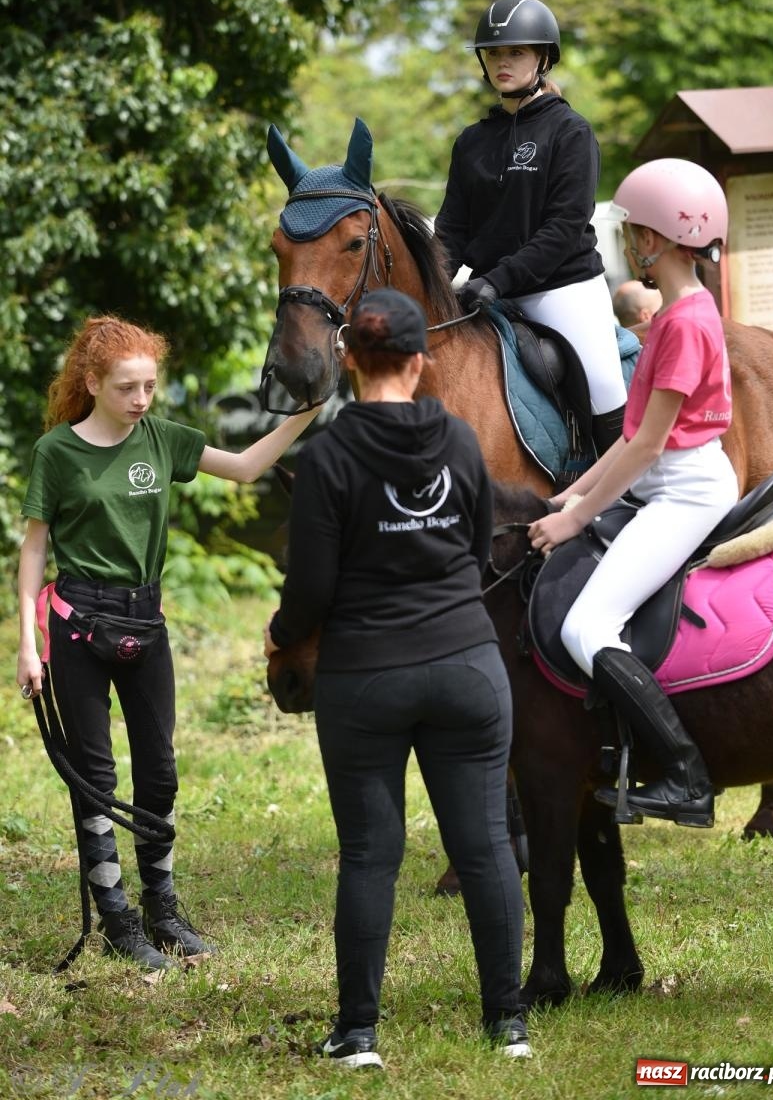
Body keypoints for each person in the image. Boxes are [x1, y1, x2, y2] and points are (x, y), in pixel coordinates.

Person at [263, 287, 530, 1068]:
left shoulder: (327, 457)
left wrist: (279, 635)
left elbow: (309, 587)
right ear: (418, 362)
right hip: (467, 671)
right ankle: (506, 1025)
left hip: (366, 679)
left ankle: (358, 1035)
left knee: (370, 856)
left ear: (346, 359)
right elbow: (481, 551)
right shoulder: (457, 440)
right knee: (482, 846)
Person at [16, 315, 320, 970]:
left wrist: (306, 414)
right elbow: (34, 547)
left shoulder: (161, 438)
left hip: (145, 622)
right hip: (77, 625)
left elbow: (241, 467)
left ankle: (163, 909)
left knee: (160, 772)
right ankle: (115, 920)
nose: (141, 400)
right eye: (128, 387)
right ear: (92, 382)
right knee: (95, 779)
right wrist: (26, 642)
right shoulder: (58, 453)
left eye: (150, 386)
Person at [528, 159, 739, 829]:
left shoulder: (681, 323)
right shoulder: (685, 310)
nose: (627, 243)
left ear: (659, 238)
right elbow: (627, 440)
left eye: (634, 231)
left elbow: (649, 445)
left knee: (584, 626)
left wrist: (575, 521)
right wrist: (572, 498)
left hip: (684, 491)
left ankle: (684, 777)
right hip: (662, 480)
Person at [435, 0, 627, 455]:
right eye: (495, 53)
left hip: (561, 288)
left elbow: (562, 229)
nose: (503, 62)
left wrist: (496, 281)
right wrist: (429, 282)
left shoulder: (571, 132)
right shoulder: (472, 141)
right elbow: (451, 231)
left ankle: (628, 492)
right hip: (486, 292)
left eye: (515, 52)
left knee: (602, 383)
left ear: (542, 58)